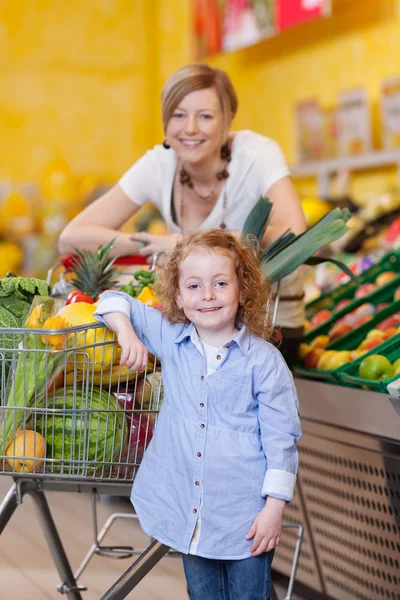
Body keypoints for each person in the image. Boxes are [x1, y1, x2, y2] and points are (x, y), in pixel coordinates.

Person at [94, 229, 302, 600]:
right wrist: (127, 334)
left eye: (220, 283)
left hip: (245, 516)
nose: (207, 295)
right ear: (177, 296)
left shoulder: (265, 362)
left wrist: (274, 507)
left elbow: (281, 438)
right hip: (189, 513)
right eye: (193, 286)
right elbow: (111, 300)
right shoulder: (170, 339)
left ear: (243, 291)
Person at [59, 62, 307, 367]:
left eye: (205, 116)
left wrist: (183, 243)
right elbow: (71, 239)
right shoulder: (159, 164)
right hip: (196, 329)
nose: (190, 128)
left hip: (269, 330)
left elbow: (294, 234)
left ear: (228, 120)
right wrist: (151, 243)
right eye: (178, 115)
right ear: (165, 121)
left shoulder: (257, 155)